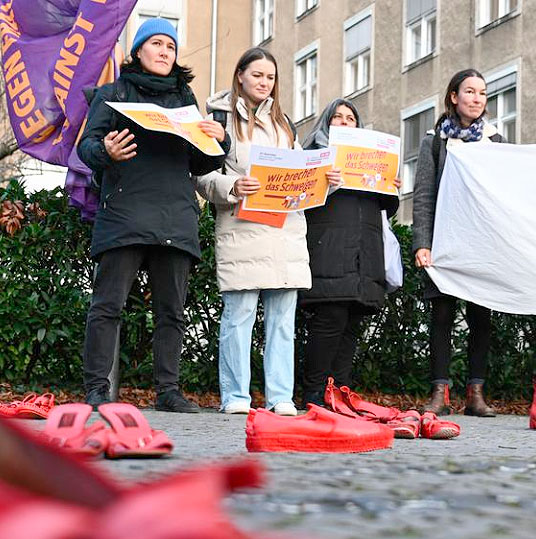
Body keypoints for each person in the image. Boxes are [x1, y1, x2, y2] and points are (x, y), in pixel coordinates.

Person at [78, 18, 229, 412]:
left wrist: (219, 141)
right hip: (125, 213)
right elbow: (87, 147)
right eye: (157, 44)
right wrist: (105, 152)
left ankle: (168, 391)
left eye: (171, 47)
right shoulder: (112, 94)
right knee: (107, 306)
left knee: (171, 312)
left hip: (175, 217)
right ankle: (97, 388)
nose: (165, 52)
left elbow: (200, 164)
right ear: (139, 51)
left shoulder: (187, 100)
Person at [195, 47, 341, 415]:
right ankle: (236, 397)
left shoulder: (284, 125)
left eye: (271, 77)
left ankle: (280, 398)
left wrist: (328, 182)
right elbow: (199, 174)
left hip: (285, 233)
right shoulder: (218, 120)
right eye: (258, 75)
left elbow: (301, 179)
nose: (265, 82)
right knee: (238, 317)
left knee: (282, 322)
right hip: (242, 230)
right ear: (240, 75)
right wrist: (231, 187)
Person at [413, 69, 505, 417]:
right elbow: (423, 195)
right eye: (469, 91)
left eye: (482, 92)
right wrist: (422, 242)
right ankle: (440, 392)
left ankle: (476, 394)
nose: (477, 98)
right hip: (444, 243)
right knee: (442, 316)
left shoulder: (496, 142)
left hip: (481, 243)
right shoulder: (434, 141)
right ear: (454, 96)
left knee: (481, 317)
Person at [298, 99, 400, 407]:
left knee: (353, 322)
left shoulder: (372, 157)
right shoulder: (312, 156)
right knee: (330, 317)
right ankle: (314, 391)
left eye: (350, 118)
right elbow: (300, 198)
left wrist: (390, 185)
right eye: (337, 117)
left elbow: (387, 209)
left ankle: (340, 391)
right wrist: (323, 180)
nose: (344, 122)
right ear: (326, 123)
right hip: (328, 248)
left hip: (365, 253)